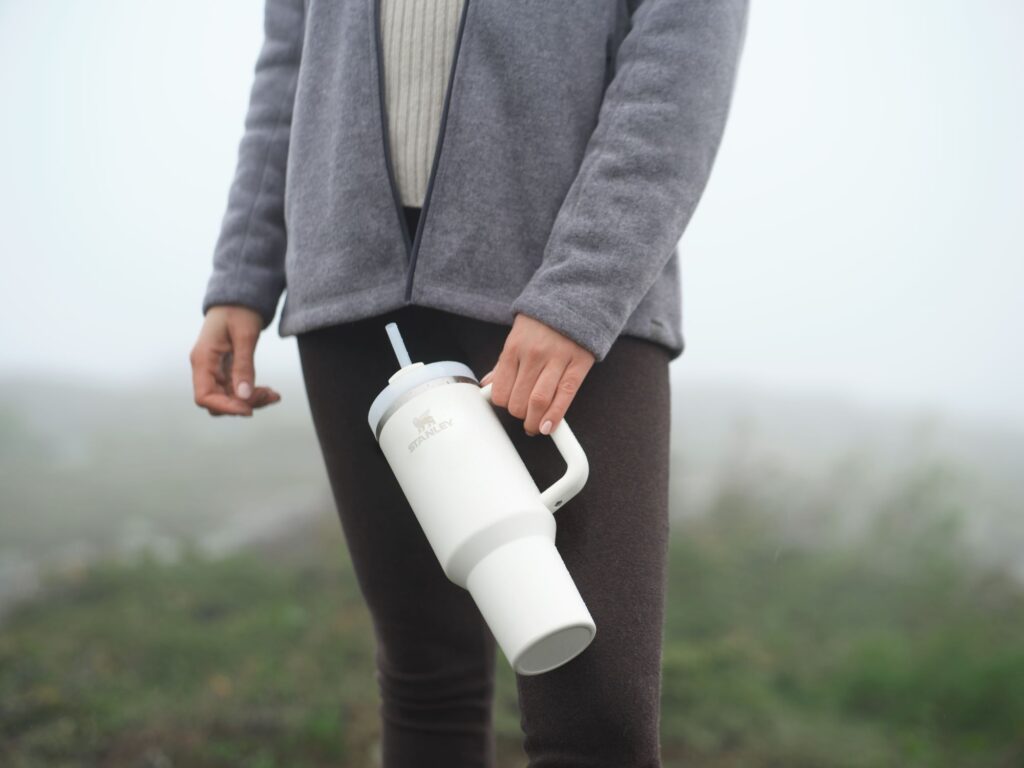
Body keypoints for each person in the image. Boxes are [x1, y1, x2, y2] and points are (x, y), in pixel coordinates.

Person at [190, 1, 747, 765]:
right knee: (427, 687)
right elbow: (290, 59)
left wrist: (581, 291)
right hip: (352, 290)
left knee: (596, 719)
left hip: (558, 297)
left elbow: (682, 60)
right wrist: (242, 274)